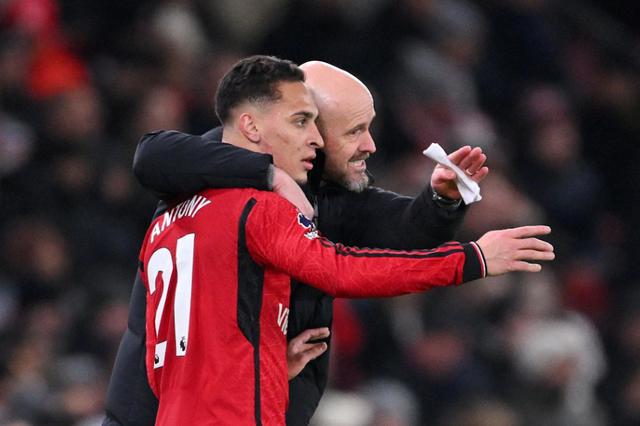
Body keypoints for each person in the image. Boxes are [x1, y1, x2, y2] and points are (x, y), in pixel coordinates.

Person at [136, 54, 552, 425]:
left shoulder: (174, 211)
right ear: (254, 125)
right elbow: (341, 270)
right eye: (301, 122)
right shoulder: (257, 205)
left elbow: (187, 345)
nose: (314, 138)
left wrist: (264, 364)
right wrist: (474, 258)